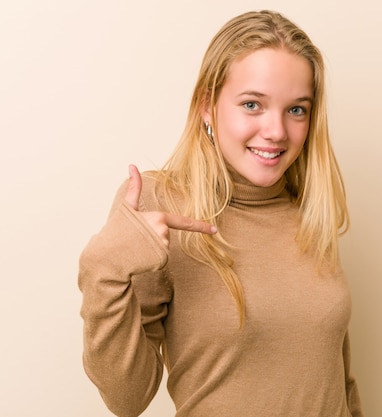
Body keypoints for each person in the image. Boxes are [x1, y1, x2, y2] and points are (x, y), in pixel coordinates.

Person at [78, 9, 364, 417]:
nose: (277, 130)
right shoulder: (161, 204)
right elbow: (126, 399)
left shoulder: (309, 209)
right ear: (207, 106)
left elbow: (338, 380)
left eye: (296, 109)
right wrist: (104, 265)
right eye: (252, 104)